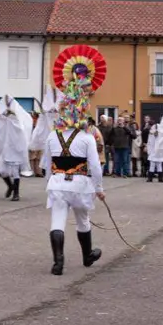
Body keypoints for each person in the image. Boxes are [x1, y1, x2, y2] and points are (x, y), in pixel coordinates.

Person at [41, 46, 107, 275]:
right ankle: (87, 255)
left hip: (58, 183)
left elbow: (46, 165)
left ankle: (58, 262)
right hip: (80, 184)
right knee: (83, 220)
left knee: (57, 222)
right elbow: (96, 167)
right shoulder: (87, 138)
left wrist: (50, 181)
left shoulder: (52, 135)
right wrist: (99, 188)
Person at [0, 95, 32, 201]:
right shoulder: (4, 118)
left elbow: (19, 126)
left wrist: (7, 114)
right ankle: (10, 186)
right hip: (5, 148)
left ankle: (16, 193)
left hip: (15, 148)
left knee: (15, 172)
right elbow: (0, 125)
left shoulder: (17, 118)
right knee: (2, 171)